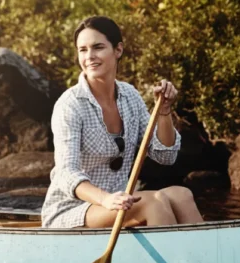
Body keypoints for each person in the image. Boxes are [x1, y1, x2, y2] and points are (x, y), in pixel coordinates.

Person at [42, 15, 204, 229]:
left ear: (118, 50)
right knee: (152, 203)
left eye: (98, 47)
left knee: (181, 195)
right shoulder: (70, 105)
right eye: (82, 50)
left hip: (118, 202)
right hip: (72, 209)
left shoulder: (130, 96)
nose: (89, 56)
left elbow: (165, 155)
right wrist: (105, 200)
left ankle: (204, 262)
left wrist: (164, 111)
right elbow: (66, 173)